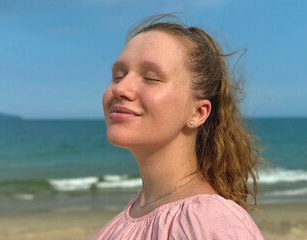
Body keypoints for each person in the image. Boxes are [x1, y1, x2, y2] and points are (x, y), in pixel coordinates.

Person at [92, 14, 264, 239]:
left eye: (151, 78)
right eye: (118, 75)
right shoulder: (121, 223)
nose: (120, 88)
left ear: (197, 112)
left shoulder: (212, 223)